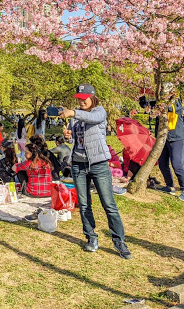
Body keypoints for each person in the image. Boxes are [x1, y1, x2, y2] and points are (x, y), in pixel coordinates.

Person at [60, 84, 132, 259]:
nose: (80, 101)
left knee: (109, 204)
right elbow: (75, 139)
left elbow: (92, 118)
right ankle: (91, 237)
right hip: (78, 164)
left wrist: (73, 113)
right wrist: (68, 136)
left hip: (98, 164)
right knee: (84, 205)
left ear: (92, 97)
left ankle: (119, 241)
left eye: (83, 98)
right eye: (78, 98)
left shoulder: (100, 112)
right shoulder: (76, 115)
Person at [155, 83, 184, 202]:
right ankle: (170, 186)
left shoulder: (176, 102)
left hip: (177, 137)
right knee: (162, 163)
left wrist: (161, 104)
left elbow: (172, 109)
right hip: (163, 137)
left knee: (177, 164)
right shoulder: (159, 103)